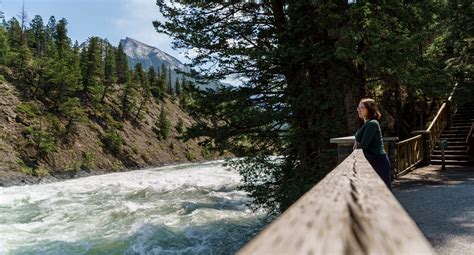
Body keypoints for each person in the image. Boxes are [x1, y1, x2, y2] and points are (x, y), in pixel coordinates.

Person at [353, 98, 392, 191]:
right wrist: (356, 141)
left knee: (381, 194)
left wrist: (357, 144)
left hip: (378, 162)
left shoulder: (372, 123)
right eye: (358, 107)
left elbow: (363, 145)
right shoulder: (367, 123)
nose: (359, 109)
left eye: (361, 107)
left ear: (369, 109)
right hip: (372, 161)